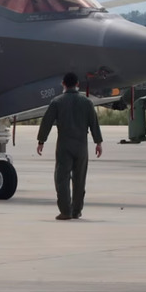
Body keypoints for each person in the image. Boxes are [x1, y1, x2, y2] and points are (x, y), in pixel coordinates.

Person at [37, 72, 104, 220]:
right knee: (79, 179)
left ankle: (65, 211)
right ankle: (77, 210)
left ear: (63, 84)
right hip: (81, 146)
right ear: (77, 84)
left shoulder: (57, 102)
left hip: (64, 146)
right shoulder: (87, 102)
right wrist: (98, 143)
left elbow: (46, 122)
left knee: (62, 178)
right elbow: (94, 123)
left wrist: (41, 141)